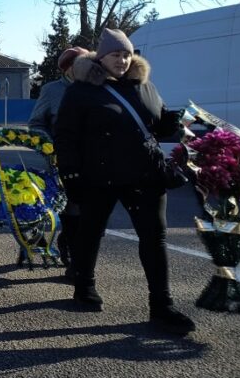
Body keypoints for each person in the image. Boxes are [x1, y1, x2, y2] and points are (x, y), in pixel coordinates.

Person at [55, 29, 195, 336]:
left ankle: (161, 306)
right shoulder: (81, 91)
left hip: (145, 175)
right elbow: (65, 136)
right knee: (91, 232)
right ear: (101, 57)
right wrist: (72, 174)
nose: (122, 60)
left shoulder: (144, 86)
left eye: (127, 54)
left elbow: (155, 123)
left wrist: (170, 124)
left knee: (154, 239)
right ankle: (84, 286)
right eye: (116, 54)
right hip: (99, 176)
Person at [28, 46, 85, 273]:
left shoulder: (96, 88)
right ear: (68, 68)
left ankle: (74, 250)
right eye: (80, 64)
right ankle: (72, 257)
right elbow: (36, 123)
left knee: (88, 214)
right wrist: (52, 147)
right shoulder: (52, 91)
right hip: (62, 161)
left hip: (93, 162)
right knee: (71, 210)